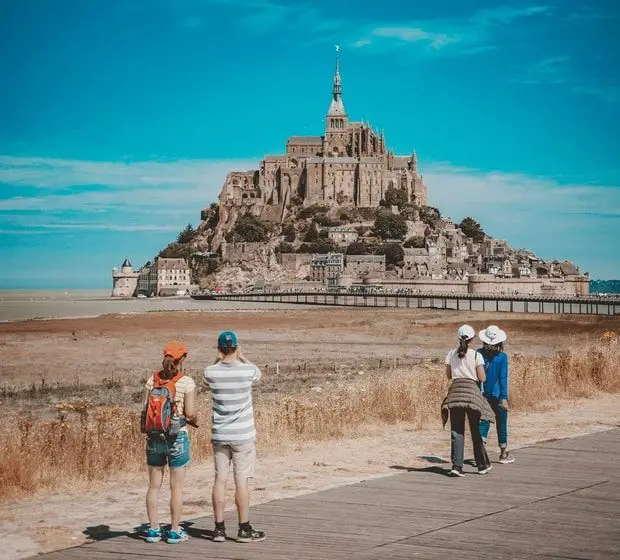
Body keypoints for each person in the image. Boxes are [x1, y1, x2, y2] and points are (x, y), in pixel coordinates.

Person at [203, 331, 265, 544]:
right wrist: (242, 356)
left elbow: (207, 377)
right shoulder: (248, 370)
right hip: (243, 436)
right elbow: (258, 373)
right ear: (236, 347)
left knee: (220, 479)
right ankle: (243, 528)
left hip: (220, 435)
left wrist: (218, 359)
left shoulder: (210, 372)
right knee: (241, 481)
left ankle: (219, 528)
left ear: (219, 348)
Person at [143, 341, 197, 544]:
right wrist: (196, 419)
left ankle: (153, 529)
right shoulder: (186, 382)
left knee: (154, 486)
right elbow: (190, 413)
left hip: (154, 436)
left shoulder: (152, 380)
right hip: (177, 436)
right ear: (181, 359)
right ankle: (174, 531)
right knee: (176, 488)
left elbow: (145, 410)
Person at [441, 325, 494, 477]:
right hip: (472, 394)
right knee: (475, 430)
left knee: (457, 431)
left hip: (456, 393)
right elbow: (482, 377)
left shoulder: (451, 354)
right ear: (472, 339)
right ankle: (482, 465)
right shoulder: (476, 355)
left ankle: (457, 466)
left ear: (459, 338)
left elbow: (449, 375)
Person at [478, 325, 515, 464]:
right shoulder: (502, 357)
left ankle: (480, 454)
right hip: (498, 394)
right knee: (501, 422)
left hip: (482, 394)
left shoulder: (479, 353)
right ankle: (503, 453)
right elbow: (503, 378)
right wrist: (504, 397)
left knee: (484, 421)